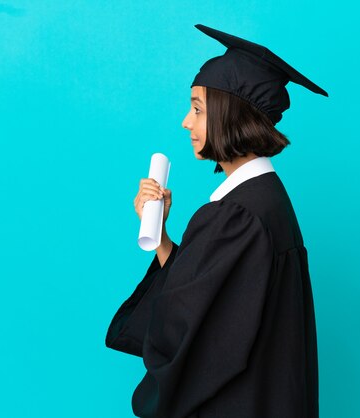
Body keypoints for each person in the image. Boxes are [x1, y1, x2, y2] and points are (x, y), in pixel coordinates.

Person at [106, 24, 328, 418]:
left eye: (197, 108)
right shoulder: (267, 202)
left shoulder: (235, 216)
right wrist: (160, 240)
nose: (185, 123)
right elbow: (219, 302)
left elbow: (191, 334)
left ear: (231, 114)